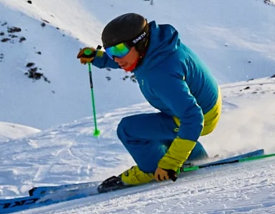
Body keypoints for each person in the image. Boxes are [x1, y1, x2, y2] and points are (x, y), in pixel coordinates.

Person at [76, 13, 221, 191]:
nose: (116, 58)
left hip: (200, 115)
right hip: (200, 103)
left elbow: (192, 117)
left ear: (140, 42)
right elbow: (126, 59)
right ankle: (194, 156)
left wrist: (171, 163)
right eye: (111, 52)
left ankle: (151, 170)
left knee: (129, 130)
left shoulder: (160, 73)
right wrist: (98, 57)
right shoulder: (156, 47)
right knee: (158, 126)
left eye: (120, 50)